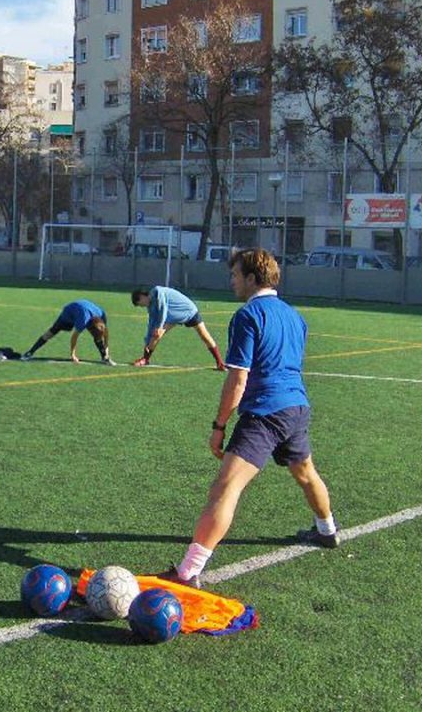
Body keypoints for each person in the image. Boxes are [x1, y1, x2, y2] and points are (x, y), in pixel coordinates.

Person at [159, 248, 339, 589]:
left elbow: (238, 378)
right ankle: (327, 531)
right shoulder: (295, 316)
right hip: (297, 408)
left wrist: (219, 426)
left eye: (235, 275)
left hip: (264, 413)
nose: (232, 281)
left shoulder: (247, 316)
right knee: (306, 474)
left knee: (225, 488)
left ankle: (186, 573)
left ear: (252, 279)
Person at [131, 285, 226, 370]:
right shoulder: (150, 306)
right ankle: (145, 359)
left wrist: (159, 327)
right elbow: (151, 324)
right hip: (173, 317)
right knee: (155, 335)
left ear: (142, 296)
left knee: (204, 336)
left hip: (189, 311)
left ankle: (220, 363)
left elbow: (163, 309)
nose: (142, 306)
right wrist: (147, 342)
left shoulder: (157, 291)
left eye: (140, 304)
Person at [21, 299, 116, 365]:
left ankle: (104, 358)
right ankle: (30, 352)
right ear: (89, 328)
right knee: (51, 332)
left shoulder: (102, 316)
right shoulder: (83, 320)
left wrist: (107, 353)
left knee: (99, 338)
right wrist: (73, 354)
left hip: (84, 310)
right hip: (69, 313)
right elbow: (74, 337)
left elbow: (105, 335)